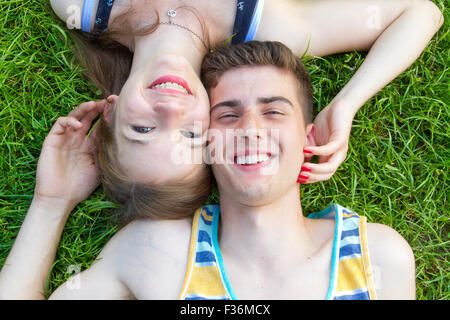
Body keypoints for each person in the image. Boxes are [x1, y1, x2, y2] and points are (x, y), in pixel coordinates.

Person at [0, 41, 415, 299]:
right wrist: (51, 203)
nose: (251, 130)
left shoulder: (379, 258)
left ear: (308, 139)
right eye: (228, 116)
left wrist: (346, 105)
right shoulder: (155, 252)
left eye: (273, 111)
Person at [49, 0, 444, 193]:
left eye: (143, 128)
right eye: (189, 135)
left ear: (111, 110)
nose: (170, 110)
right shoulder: (273, 26)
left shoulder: (79, 4)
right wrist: (345, 103)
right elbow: (420, 11)